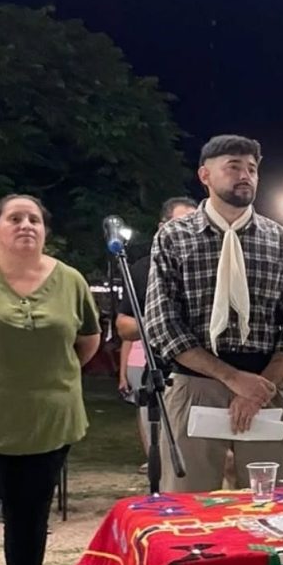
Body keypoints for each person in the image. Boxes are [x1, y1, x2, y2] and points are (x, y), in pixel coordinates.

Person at [145, 135, 283, 492]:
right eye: (233, 167)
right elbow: (163, 323)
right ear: (205, 175)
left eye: (251, 169)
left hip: (267, 383)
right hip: (197, 383)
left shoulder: (281, 240)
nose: (245, 175)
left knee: (268, 499)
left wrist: (258, 387)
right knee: (189, 501)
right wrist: (232, 378)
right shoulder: (174, 237)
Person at [0, 194, 101, 565]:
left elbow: (87, 340)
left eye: (34, 218)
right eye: (15, 218)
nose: (26, 225)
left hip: (48, 422)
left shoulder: (70, 280)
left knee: (29, 520)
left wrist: (50, 379)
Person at [114, 196, 198, 474]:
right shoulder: (142, 268)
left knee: (203, 456)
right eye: (181, 223)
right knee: (159, 454)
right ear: (162, 227)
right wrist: (163, 322)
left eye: (194, 224)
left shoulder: (212, 264)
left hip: (202, 374)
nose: (188, 231)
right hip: (156, 370)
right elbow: (124, 326)